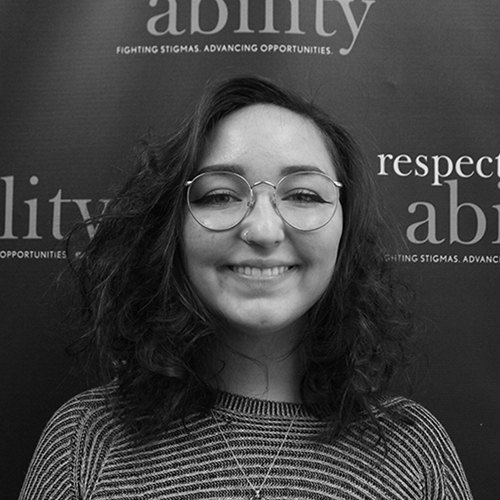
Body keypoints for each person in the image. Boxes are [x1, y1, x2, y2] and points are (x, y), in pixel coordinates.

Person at [20, 75, 473, 499]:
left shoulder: (412, 453)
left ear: (345, 230)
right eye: (220, 195)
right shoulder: (85, 440)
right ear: (171, 230)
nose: (263, 230)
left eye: (303, 195)